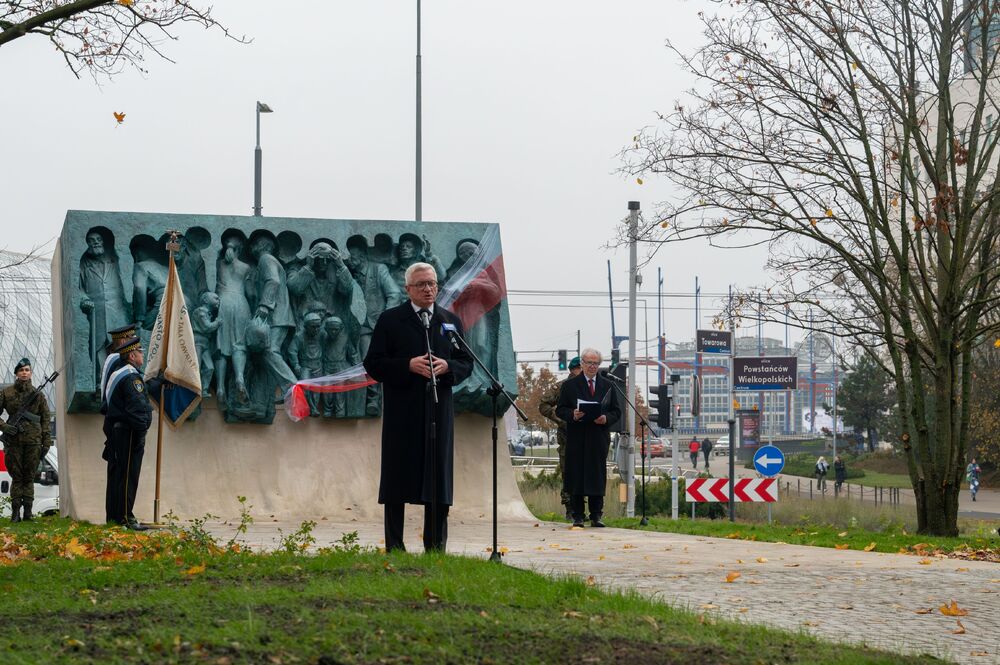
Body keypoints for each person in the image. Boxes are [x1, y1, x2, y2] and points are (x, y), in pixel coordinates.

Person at [363, 262, 473, 553]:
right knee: (398, 478)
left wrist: (448, 365)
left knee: (437, 479)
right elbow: (373, 364)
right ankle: (395, 547)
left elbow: (467, 363)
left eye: (432, 284)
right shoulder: (391, 320)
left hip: (439, 410)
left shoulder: (449, 321)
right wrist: (406, 365)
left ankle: (435, 548)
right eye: (422, 284)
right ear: (408, 289)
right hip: (403, 413)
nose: (428, 289)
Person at [555, 348, 621, 528]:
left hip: (598, 437)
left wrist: (606, 418)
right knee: (576, 475)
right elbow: (560, 409)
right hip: (577, 437)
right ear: (582, 364)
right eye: (589, 363)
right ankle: (577, 515)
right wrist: (573, 414)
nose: (592, 366)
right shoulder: (570, 386)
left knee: (596, 476)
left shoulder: (608, 385)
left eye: (595, 363)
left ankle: (596, 515)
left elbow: (616, 411)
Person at [102, 337, 153, 530]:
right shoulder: (132, 377)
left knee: (117, 476)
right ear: (132, 355)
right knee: (127, 477)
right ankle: (125, 517)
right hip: (129, 433)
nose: (143, 355)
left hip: (118, 432)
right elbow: (137, 408)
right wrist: (141, 432)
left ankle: (115, 518)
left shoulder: (119, 373)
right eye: (140, 352)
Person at [0, 358, 52, 522]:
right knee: (17, 477)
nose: (24, 373)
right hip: (13, 441)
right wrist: (4, 427)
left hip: (33, 442)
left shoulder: (38, 394)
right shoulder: (6, 393)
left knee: (29, 477)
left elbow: (45, 419)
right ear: (16, 373)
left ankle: (28, 513)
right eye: (21, 370)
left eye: (27, 370)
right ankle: (15, 513)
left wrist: (46, 441)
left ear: (30, 373)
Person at [538, 355, 583, 520]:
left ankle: (581, 509)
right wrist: (559, 419)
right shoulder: (562, 387)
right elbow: (543, 405)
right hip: (567, 435)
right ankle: (570, 509)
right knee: (568, 471)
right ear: (574, 369)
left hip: (585, 435)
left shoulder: (588, 386)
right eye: (581, 367)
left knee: (584, 472)